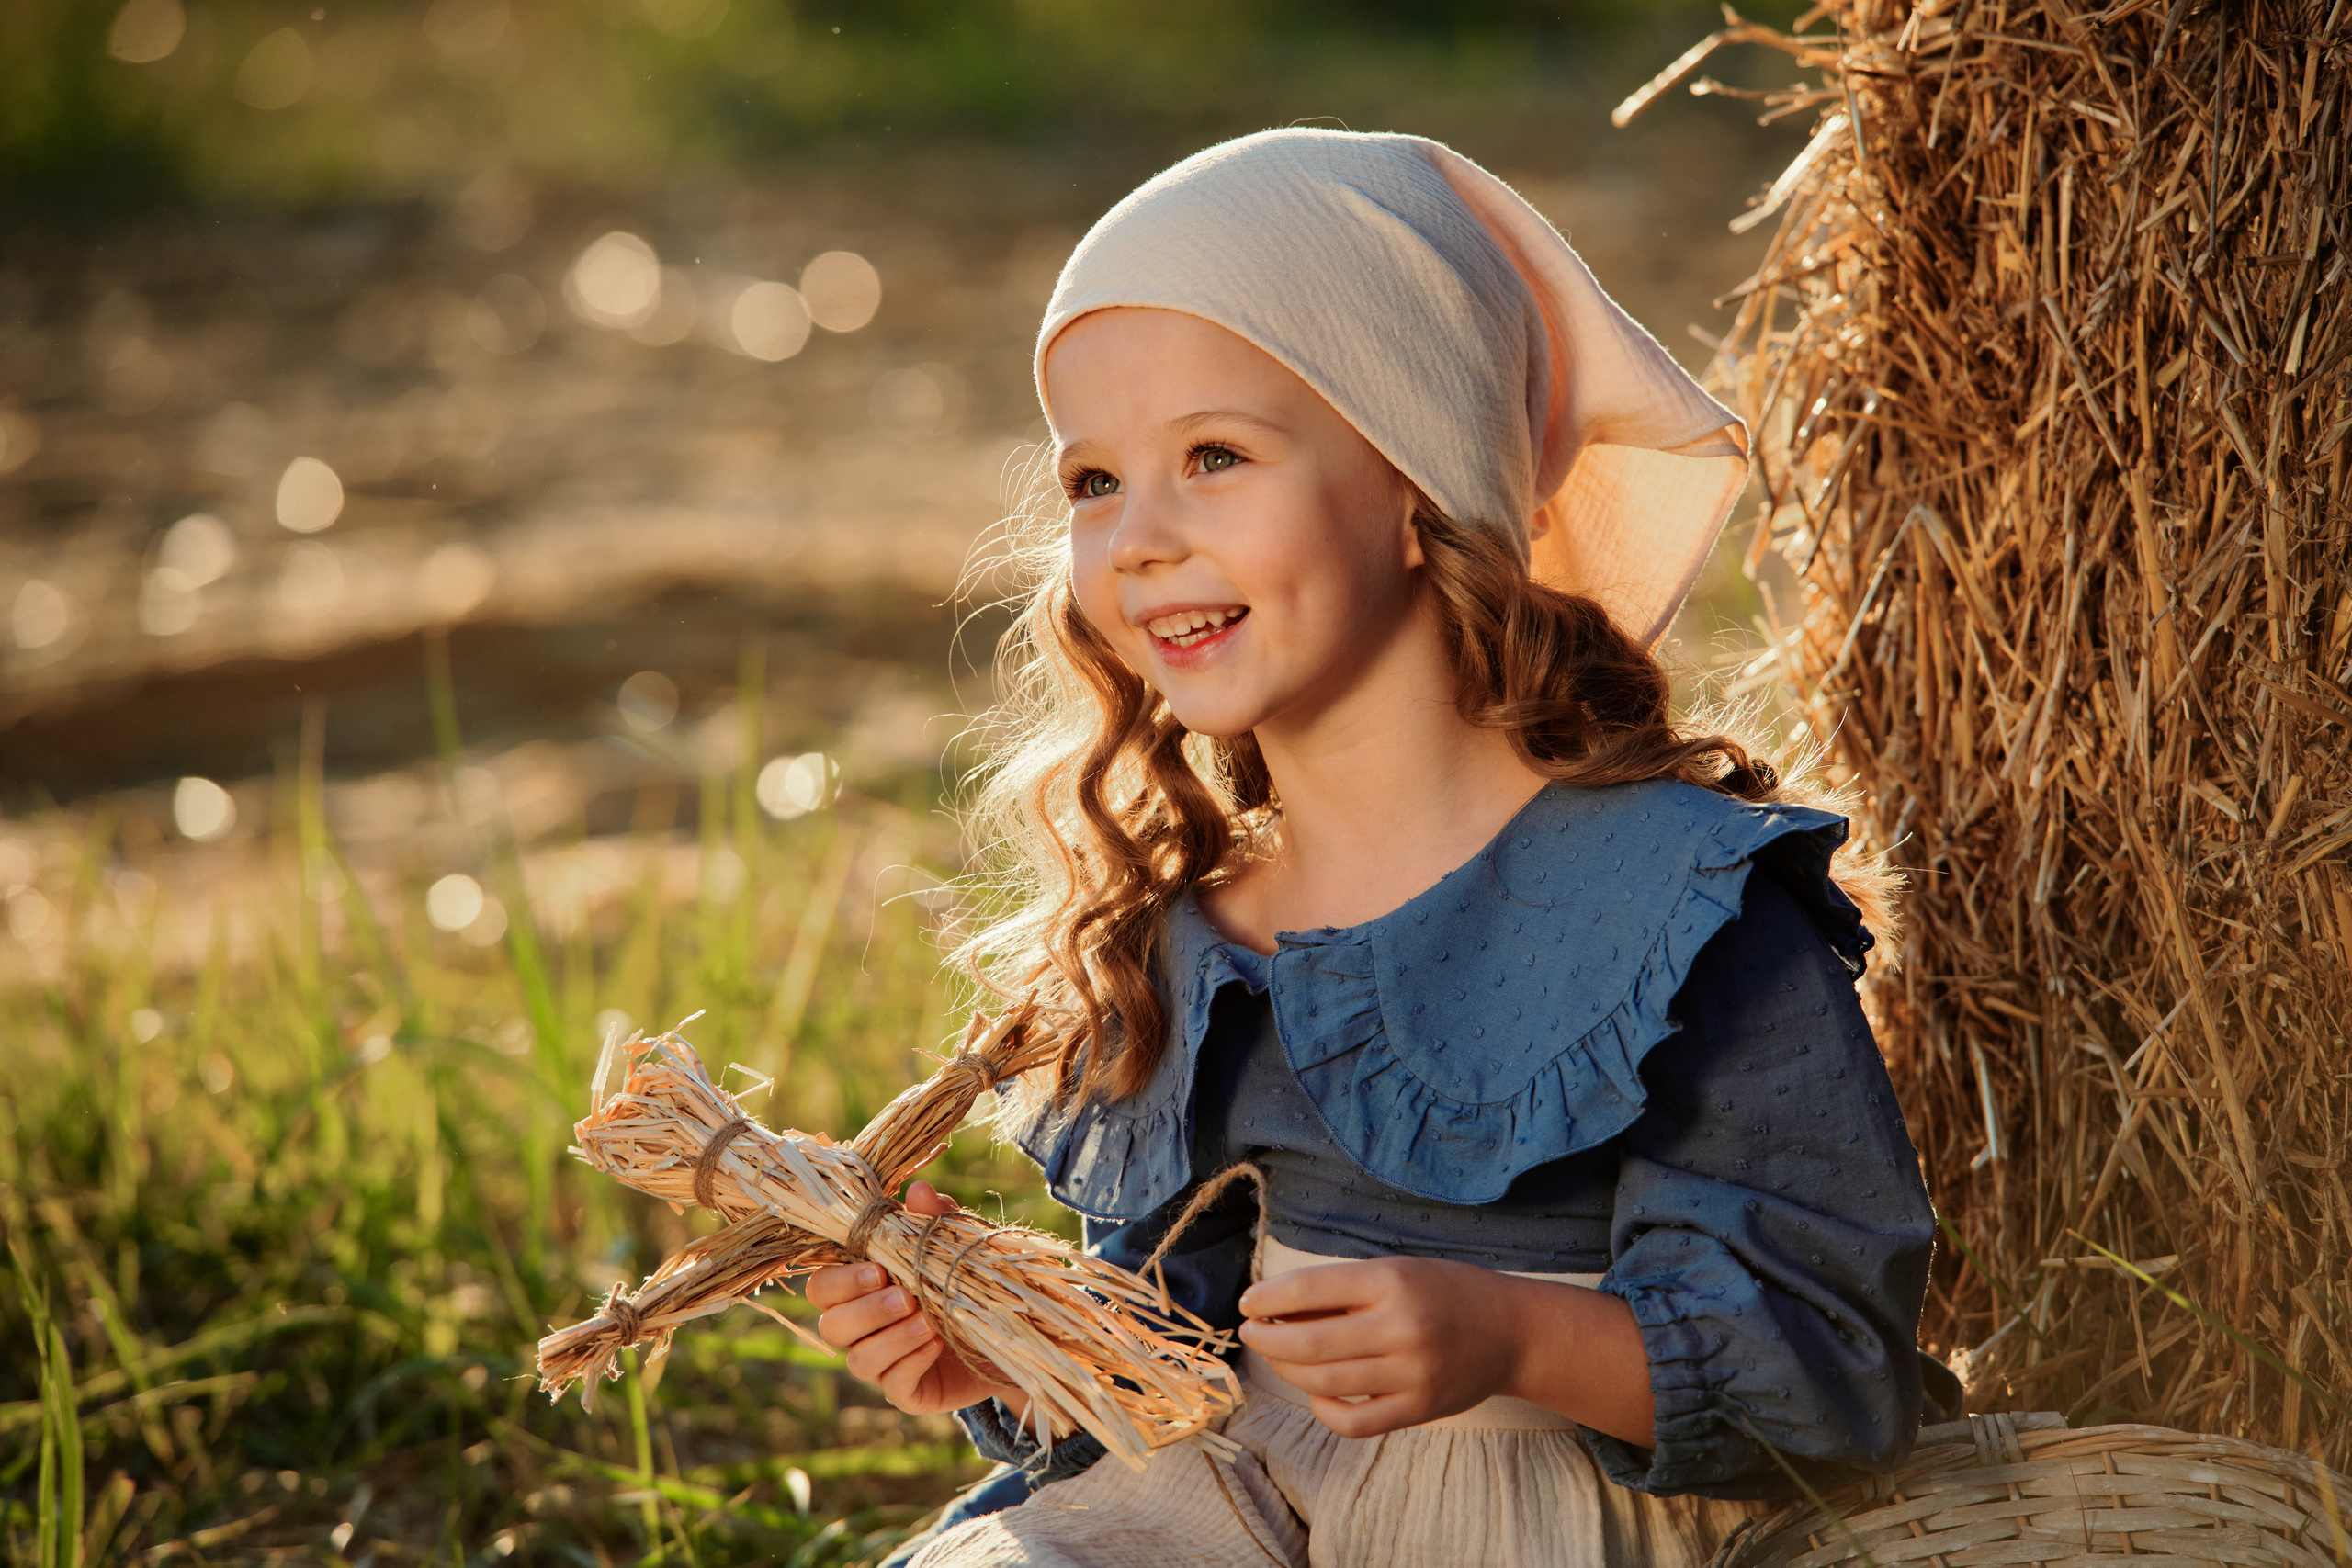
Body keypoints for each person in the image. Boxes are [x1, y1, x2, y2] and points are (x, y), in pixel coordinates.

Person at [807, 128, 1961, 1568]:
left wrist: (1510, 1333)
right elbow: (1179, 1341)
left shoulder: (1671, 900)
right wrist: (1006, 1352)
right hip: (1218, 1500)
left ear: (1416, 484)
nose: (1139, 539)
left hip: (1521, 1522)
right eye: (1093, 483)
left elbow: (1835, 1373)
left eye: (1213, 456)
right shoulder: (1195, 927)